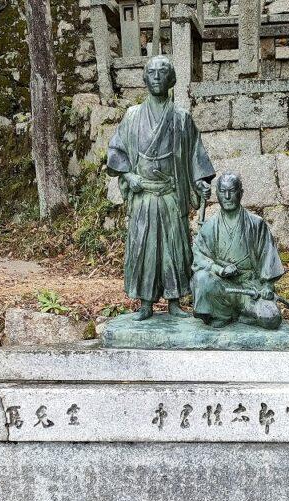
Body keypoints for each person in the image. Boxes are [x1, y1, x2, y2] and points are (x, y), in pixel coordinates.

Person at [107, 56, 215, 320]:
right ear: (145, 79)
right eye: (151, 72)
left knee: (174, 248)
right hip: (144, 194)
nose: (156, 76)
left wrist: (199, 182)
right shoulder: (132, 116)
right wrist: (128, 175)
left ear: (171, 79)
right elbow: (116, 151)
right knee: (143, 248)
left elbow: (193, 156)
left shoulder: (181, 118)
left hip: (169, 194)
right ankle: (145, 302)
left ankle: (175, 301)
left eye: (162, 72)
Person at [191, 172, 285, 330]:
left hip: (251, 288)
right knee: (201, 278)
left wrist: (267, 287)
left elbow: (268, 258)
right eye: (222, 191)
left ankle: (245, 312)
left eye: (232, 191)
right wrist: (220, 270)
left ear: (241, 193)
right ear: (217, 194)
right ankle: (223, 314)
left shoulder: (256, 224)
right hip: (223, 287)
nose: (227, 196)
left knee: (271, 319)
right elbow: (199, 257)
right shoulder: (210, 226)